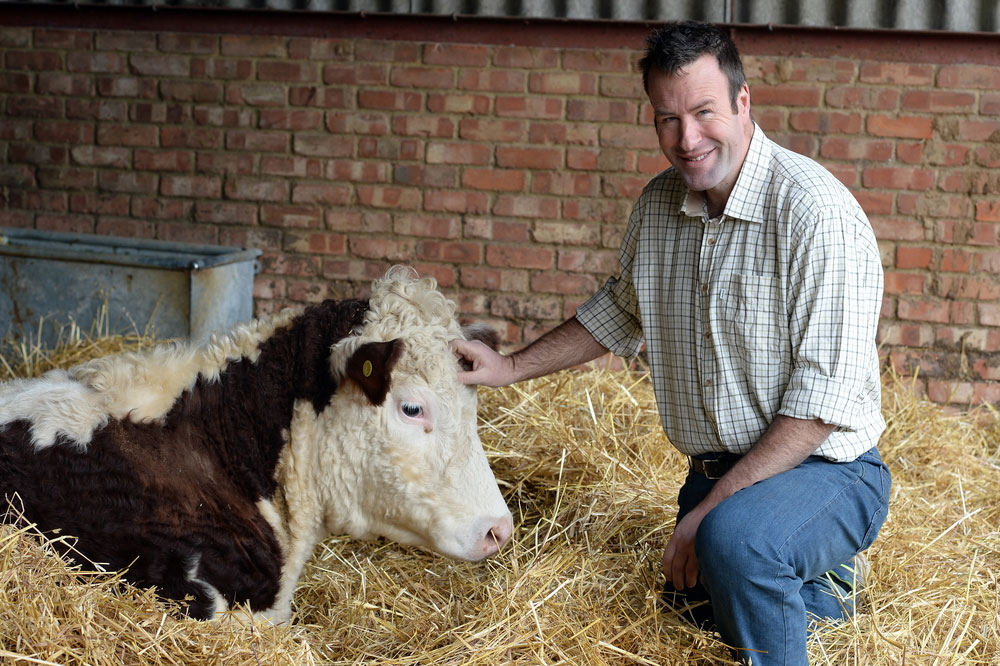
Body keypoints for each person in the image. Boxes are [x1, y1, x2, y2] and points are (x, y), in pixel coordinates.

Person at [451, 19, 891, 666]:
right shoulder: (660, 207)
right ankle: (819, 591)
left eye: (705, 112)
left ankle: (785, 559)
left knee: (737, 545)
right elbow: (617, 314)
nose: (687, 139)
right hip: (720, 472)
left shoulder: (813, 214)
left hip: (829, 472)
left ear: (743, 103)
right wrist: (508, 367)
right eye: (667, 118)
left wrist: (708, 515)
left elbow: (820, 409)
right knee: (690, 605)